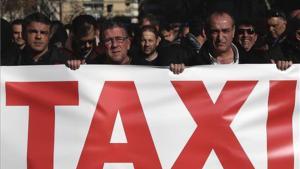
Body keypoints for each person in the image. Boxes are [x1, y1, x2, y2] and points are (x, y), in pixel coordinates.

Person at [67, 20, 132, 69]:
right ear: (102, 45)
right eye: (108, 40)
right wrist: (76, 67)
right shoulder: (91, 67)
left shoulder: (141, 64)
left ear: (128, 43)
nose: (114, 45)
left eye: (119, 39)